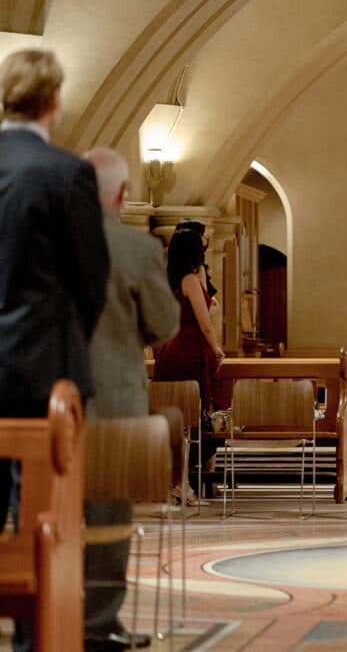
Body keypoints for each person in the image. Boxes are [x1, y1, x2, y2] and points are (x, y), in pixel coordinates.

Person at [0, 48, 109, 652]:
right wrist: (69, 348)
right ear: (55, 101)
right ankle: (32, 643)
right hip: (44, 373)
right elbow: (90, 279)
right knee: (44, 522)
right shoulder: (66, 173)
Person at [81, 148, 179, 651]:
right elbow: (163, 325)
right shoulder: (135, 249)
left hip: (43, 400)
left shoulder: (42, 242)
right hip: (114, 401)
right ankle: (96, 624)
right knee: (108, 516)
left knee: (43, 513)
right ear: (121, 195)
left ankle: (41, 616)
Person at [154, 227, 225, 500]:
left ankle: (176, 482)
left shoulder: (168, 280)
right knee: (188, 423)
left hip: (170, 351)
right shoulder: (190, 281)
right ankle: (179, 483)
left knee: (175, 422)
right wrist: (216, 349)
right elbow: (204, 323)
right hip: (189, 352)